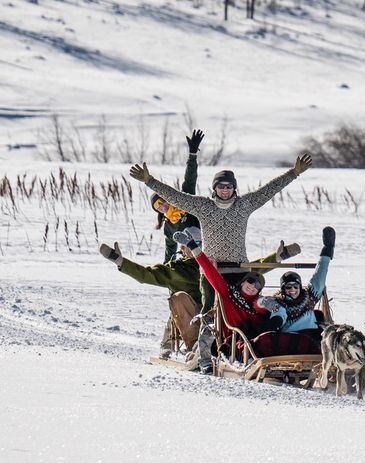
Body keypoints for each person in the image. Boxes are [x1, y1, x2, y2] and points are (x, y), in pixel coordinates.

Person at [128, 154, 313, 316]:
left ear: (234, 188)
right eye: (221, 186)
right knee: (209, 312)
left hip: (240, 269)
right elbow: (176, 197)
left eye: (229, 186)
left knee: (245, 310)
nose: (225, 190)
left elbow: (269, 190)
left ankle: (242, 348)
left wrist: (294, 173)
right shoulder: (204, 206)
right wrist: (149, 181)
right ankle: (202, 353)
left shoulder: (244, 205)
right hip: (211, 270)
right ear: (214, 189)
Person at [99, 227, 301, 362]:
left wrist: (277, 257)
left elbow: (252, 273)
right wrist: (121, 262)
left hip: (221, 312)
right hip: (193, 314)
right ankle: (192, 345)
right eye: (190, 244)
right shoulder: (176, 270)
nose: (194, 247)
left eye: (198, 243)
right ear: (184, 248)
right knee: (179, 297)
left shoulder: (216, 263)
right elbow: (146, 275)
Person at [253, 227, 335, 356]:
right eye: (288, 287)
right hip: (289, 339)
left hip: (310, 335)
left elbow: (320, 275)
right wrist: (263, 303)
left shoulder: (310, 295)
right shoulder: (277, 301)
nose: (292, 290)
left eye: (295, 287)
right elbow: (261, 305)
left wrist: (328, 249)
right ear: (283, 289)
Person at [150, 130, 204, 261]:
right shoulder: (169, 227)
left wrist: (192, 155)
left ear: (169, 199)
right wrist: (165, 270)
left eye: (162, 201)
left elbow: (190, 179)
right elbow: (170, 250)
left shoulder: (185, 202)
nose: (161, 206)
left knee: (192, 232)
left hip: (206, 249)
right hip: (189, 257)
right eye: (157, 206)